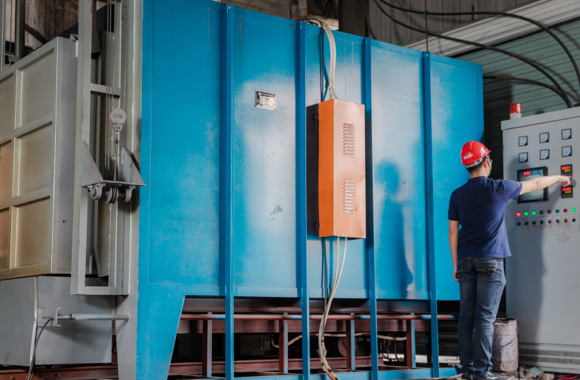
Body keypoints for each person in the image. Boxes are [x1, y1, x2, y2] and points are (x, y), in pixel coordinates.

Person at [448, 141, 571, 380]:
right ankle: (482, 372)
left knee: (467, 316)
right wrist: (558, 178)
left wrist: (456, 263)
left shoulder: (457, 195)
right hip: (490, 260)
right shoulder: (499, 188)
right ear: (486, 162)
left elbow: (453, 232)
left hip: (465, 260)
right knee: (485, 317)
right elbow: (535, 183)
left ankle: (467, 369)